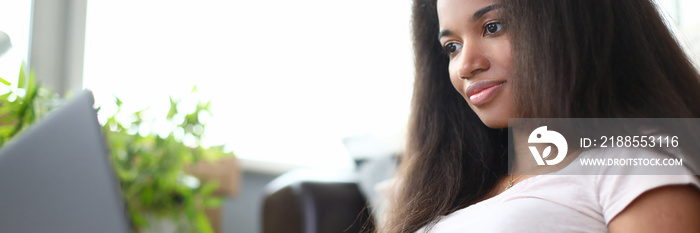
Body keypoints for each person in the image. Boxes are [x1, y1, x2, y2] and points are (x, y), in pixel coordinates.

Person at [380, 0, 700, 232]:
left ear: (571, 24)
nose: (465, 65)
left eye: (493, 27)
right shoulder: (459, 189)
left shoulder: (632, 164)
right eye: (452, 47)